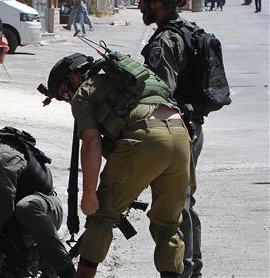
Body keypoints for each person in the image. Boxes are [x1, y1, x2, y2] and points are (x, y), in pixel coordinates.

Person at [40, 52, 191, 278]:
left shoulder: (85, 91)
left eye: (63, 92)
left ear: (73, 77)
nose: (67, 98)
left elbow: (91, 142)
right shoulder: (124, 83)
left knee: (101, 217)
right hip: (180, 135)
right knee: (168, 225)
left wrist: (90, 194)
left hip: (146, 137)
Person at [135, 0, 210, 278]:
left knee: (173, 205)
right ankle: (192, 267)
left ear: (157, 2)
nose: (141, 5)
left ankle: (184, 268)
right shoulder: (190, 31)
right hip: (193, 125)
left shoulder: (166, 40)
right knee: (184, 200)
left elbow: (160, 91)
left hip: (176, 127)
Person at [0, 117, 76, 278]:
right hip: (9, 214)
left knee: (26, 208)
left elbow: (2, 209)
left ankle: (65, 270)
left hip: (43, 209)